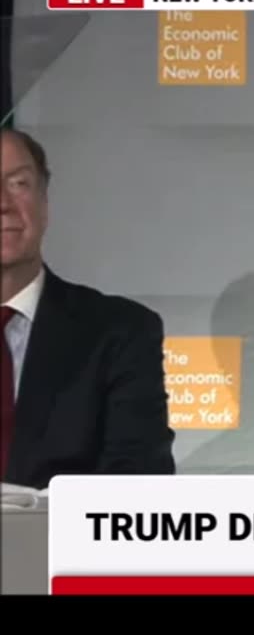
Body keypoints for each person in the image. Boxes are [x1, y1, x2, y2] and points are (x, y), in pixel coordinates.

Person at [1, 127, 175, 489]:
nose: (3, 203)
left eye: (19, 183)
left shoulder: (120, 333)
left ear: (43, 204)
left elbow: (137, 486)